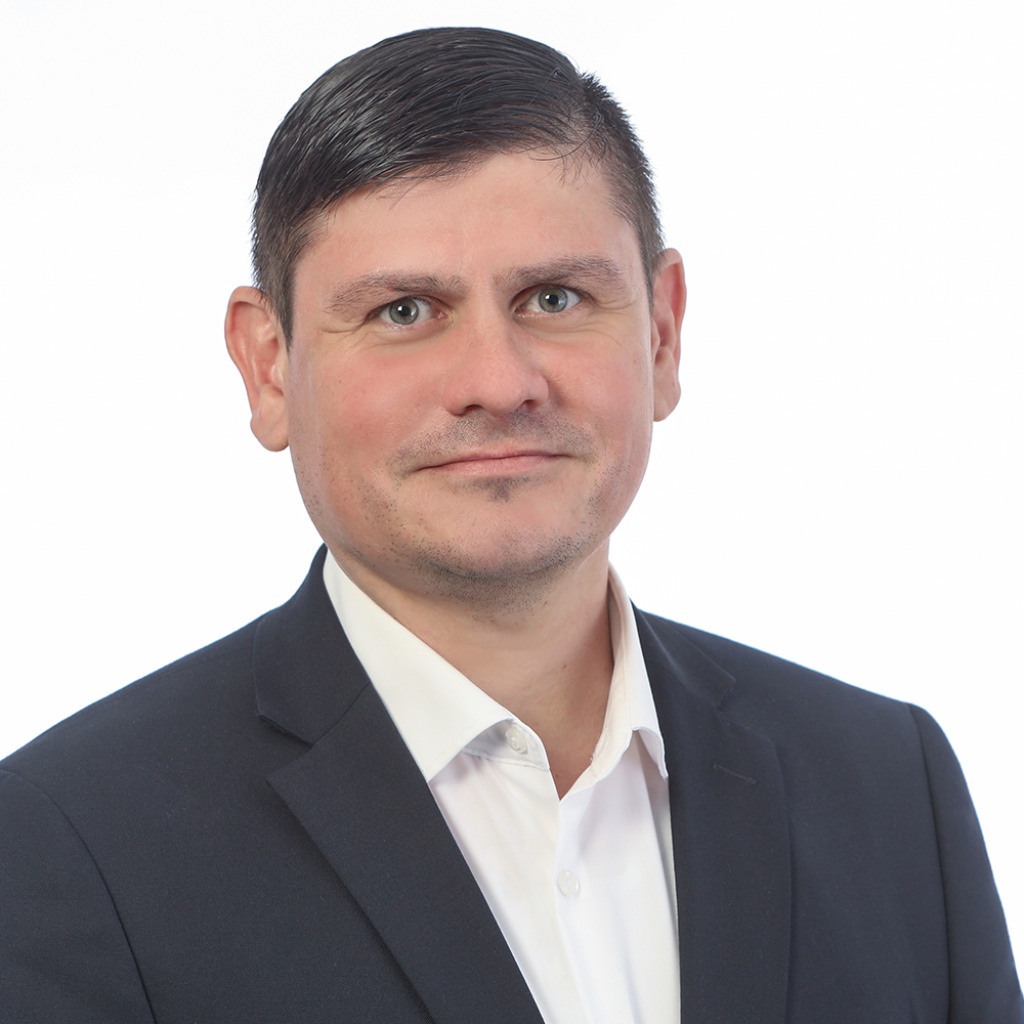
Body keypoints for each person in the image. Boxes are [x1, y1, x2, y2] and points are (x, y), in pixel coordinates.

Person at [0, 26, 1019, 1024]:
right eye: (405, 310)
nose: (497, 381)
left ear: (662, 333)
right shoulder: (66, 845)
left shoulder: (890, 784)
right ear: (269, 367)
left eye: (555, 297)